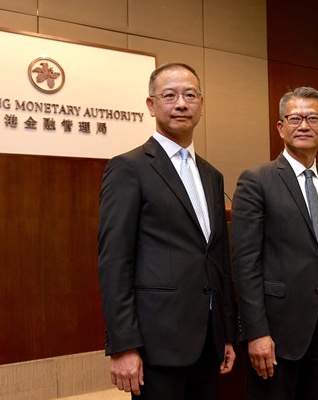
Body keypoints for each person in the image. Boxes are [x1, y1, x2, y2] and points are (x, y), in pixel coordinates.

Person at [98, 62, 236, 399]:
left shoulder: (212, 175)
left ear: (201, 105)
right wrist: (123, 345)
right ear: (151, 105)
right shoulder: (129, 168)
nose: (181, 104)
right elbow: (115, 261)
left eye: (190, 95)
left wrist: (226, 333)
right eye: (170, 95)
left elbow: (217, 260)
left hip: (208, 340)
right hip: (156, 341)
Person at [232, 87, 318, 399]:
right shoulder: (256, 181)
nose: (304, 125)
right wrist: (256, 332)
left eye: (313, 118)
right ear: (280, 127)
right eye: (295, 118)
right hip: (276, 330)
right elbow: (245, 264)